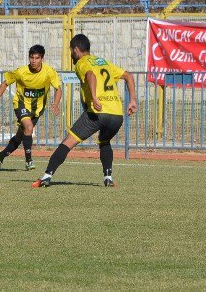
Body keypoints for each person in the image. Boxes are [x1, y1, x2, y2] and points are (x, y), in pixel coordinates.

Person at [32, 34, 137, 188]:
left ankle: (46, 176)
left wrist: (94, 97)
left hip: (97, 112)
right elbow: (128, 75)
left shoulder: (81, 63)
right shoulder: (103, 62)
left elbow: (90, 75)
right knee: (104, 141)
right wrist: (132, 100)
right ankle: (108, 177)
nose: (71, 54)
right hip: (116, 115)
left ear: (76, 50)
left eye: (71, 51)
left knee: (68, 142)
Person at [0, 44, 62, 171]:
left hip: (37, 109)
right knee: (29, 128)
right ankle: (29, 161)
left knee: (20, 137)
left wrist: (56, 103)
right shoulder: (21, 72)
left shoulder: (49, 72)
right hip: (21, 104)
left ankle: (1, 155)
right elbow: (5, 83)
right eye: (31, 58)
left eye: (37, 58)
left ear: (42, 59)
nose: (34, 61)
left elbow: (58, 89)